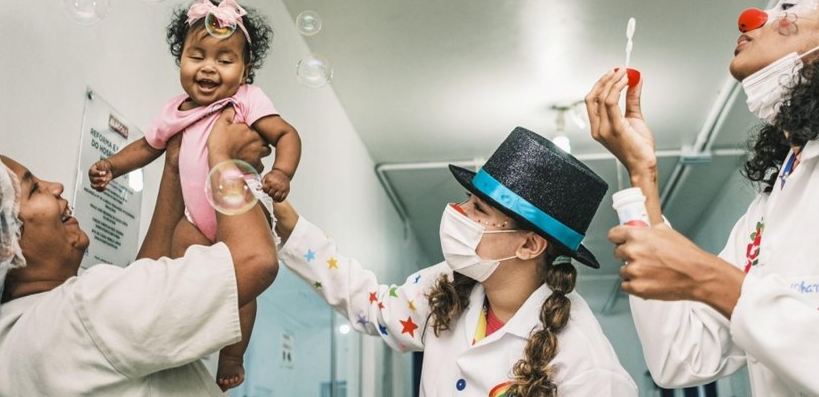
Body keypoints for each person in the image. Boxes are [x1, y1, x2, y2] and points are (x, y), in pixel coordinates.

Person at [272, 127, 638, 396]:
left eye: (477, 209)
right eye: (468, 200)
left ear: (529, 244)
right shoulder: (447, 283)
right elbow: (371, 305)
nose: (456, 212)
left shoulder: (586, 364)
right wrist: (293, 231)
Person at [586, 0, 819, 395]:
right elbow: (682, 357)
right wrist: (644, 175)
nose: (750, 20)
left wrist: (708, 277)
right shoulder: (769, 208)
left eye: (790, 7)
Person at [0, 109, 279, 395]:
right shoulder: (82, 311)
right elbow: (253, 260)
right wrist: (226, 160)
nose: (55, 186)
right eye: (34, 190)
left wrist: (176, 164)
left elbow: (136, 305)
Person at [88, 0, 301, 389]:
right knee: (184, 263)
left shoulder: (247, 100)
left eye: (224, 59)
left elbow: (286, 134)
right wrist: (113, 165)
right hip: (195, 221)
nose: (208, 67)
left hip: (241, 210)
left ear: (245, 70)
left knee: (241, 281)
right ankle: (177, 334)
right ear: (181, 59)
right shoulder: (174, 110)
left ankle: (232, 354)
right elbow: (148, 147)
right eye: (197, 55)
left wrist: (283, 172)